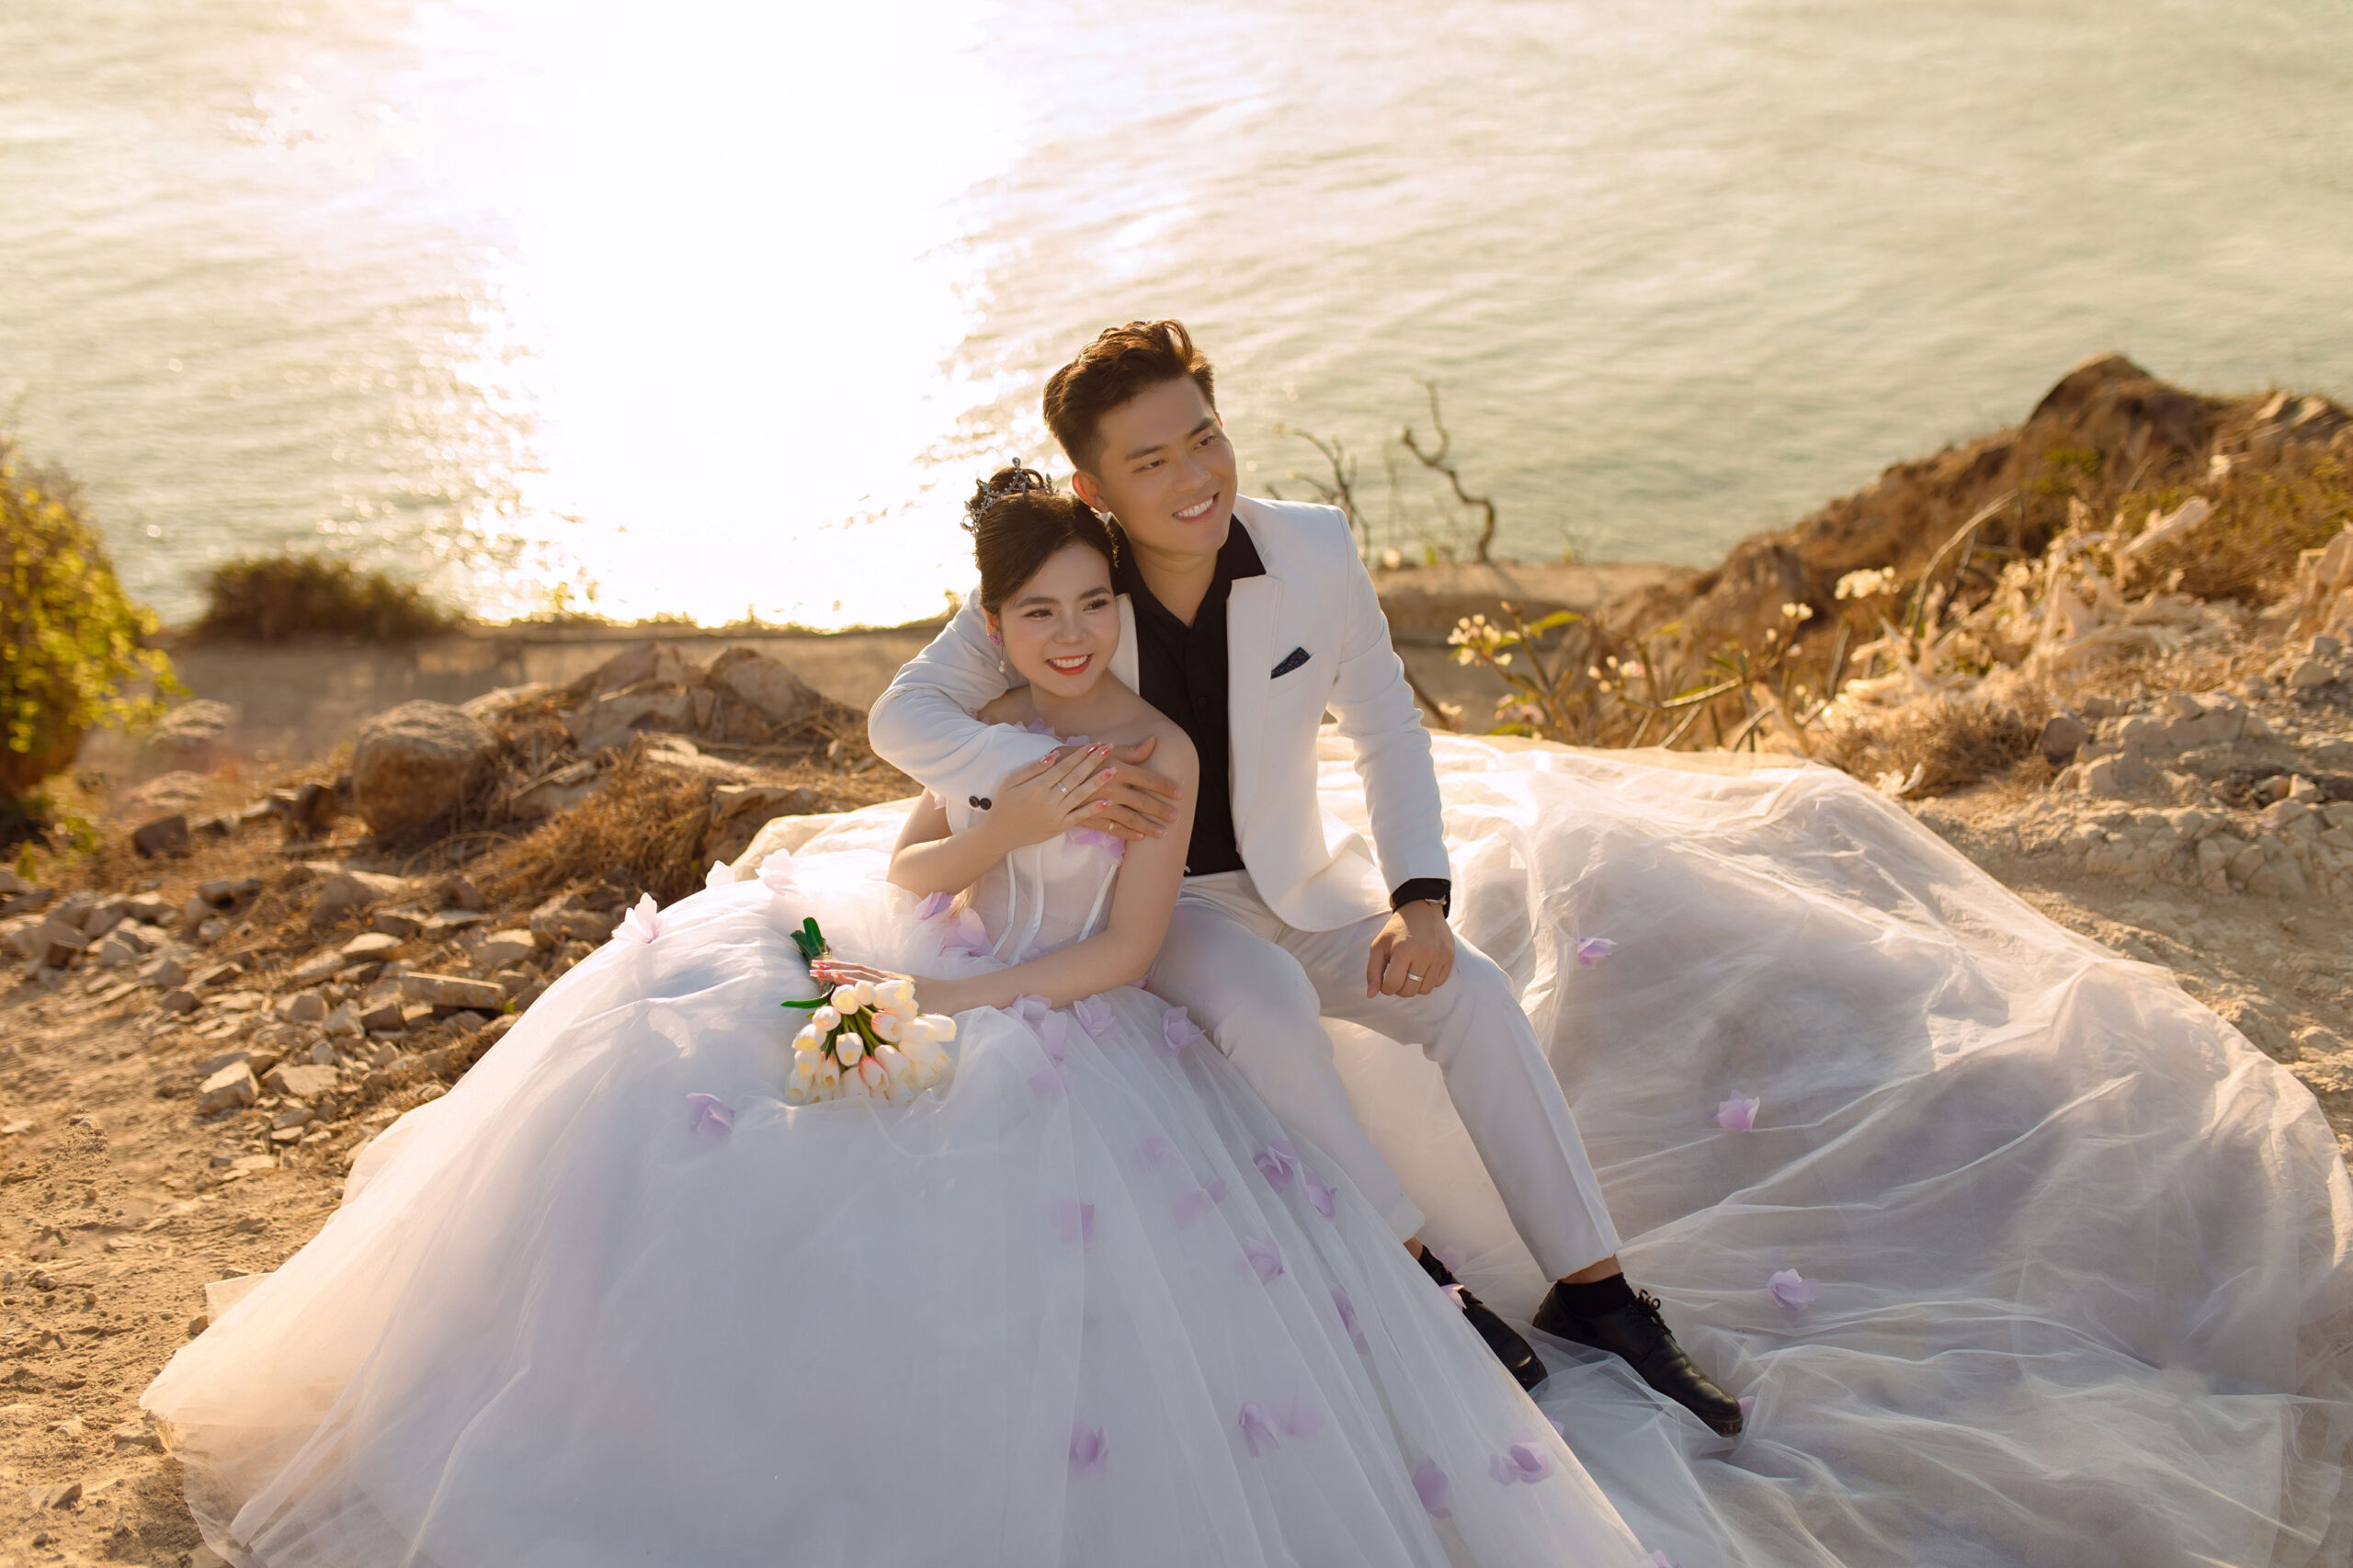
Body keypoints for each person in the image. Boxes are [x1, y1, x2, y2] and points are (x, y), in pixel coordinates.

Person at [138, 467, 1669, 1568]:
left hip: (1057, 1005)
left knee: (944, 1174)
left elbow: (1130, 948)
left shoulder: (1156, 754)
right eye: (1039, 611)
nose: (1072, 632)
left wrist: (957, 999)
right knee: (690, 1071)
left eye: (1093, 603)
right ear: (996, 623)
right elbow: (916, 868)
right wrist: (1009, 826)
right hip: (933, 951)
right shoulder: (985, 722)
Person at [868, 320, 1740, 1432]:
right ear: (1094, 488)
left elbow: (1386, 725)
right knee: (1267, 1006)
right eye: (1150, 461)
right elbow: (903, 715)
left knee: (1470, 992)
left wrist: (1418, 900)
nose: (1194, 476)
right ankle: (1423, 1278)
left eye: (1205, 437)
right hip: (1161, 902)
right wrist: (1043, 779)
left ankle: (1598, 1292)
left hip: (1301, 880)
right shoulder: (1069, 579)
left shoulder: (1313, 549)